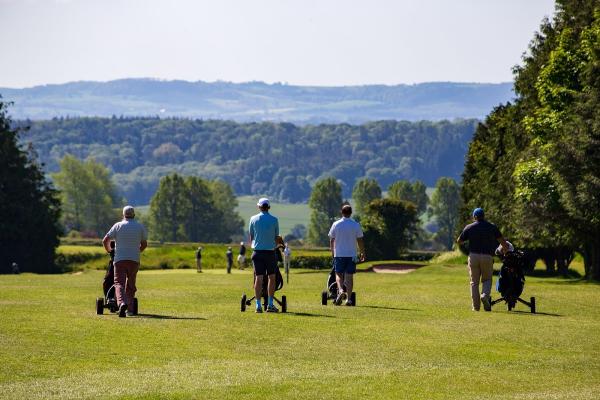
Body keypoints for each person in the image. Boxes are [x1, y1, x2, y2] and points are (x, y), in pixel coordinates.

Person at [456, 207, 509, 312]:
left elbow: (459, 241)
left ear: (474, 217)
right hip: (487, 256)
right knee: (487, 279)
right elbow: (503, 242)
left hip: (473, 256)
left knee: (474, 282)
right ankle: (484, 295)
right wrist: (505, 251)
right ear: (484, 216)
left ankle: (476, 307)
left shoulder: (469, 227)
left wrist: (468, 245)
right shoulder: (492, 227)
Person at [102, 206, 147, 317]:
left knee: (119, 284)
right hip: (134, 260)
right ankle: (130, 310)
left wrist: (109, 250)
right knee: (131, 284)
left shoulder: (118, 226)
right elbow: (144, 244)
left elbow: (105, 240)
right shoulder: (140, 226)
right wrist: (137, 251)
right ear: (134, 215)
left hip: (119, 260)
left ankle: (121, 303)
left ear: (123, 215)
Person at [328, 204, 365, 306]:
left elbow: (332, 239)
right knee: (349, 276)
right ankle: (348, 300)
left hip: (339, 254)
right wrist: (362, 252)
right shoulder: (355, 225)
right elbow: (360, 240)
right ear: (351, 212)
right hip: (352, 254)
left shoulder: (336, 224)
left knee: (338, 274)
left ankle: (340, 291)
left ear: (342, 212)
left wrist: (332, 252)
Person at [248, 197, 281, 313]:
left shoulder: (252, 219)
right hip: (270, 253)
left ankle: (258, 305)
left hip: (257, 252)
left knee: (258, 278)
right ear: (269, 207)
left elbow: (251, 237)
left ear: (259, 207)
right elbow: (277, 238)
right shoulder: (274, 219)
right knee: (272, 277)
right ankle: (270, 304)